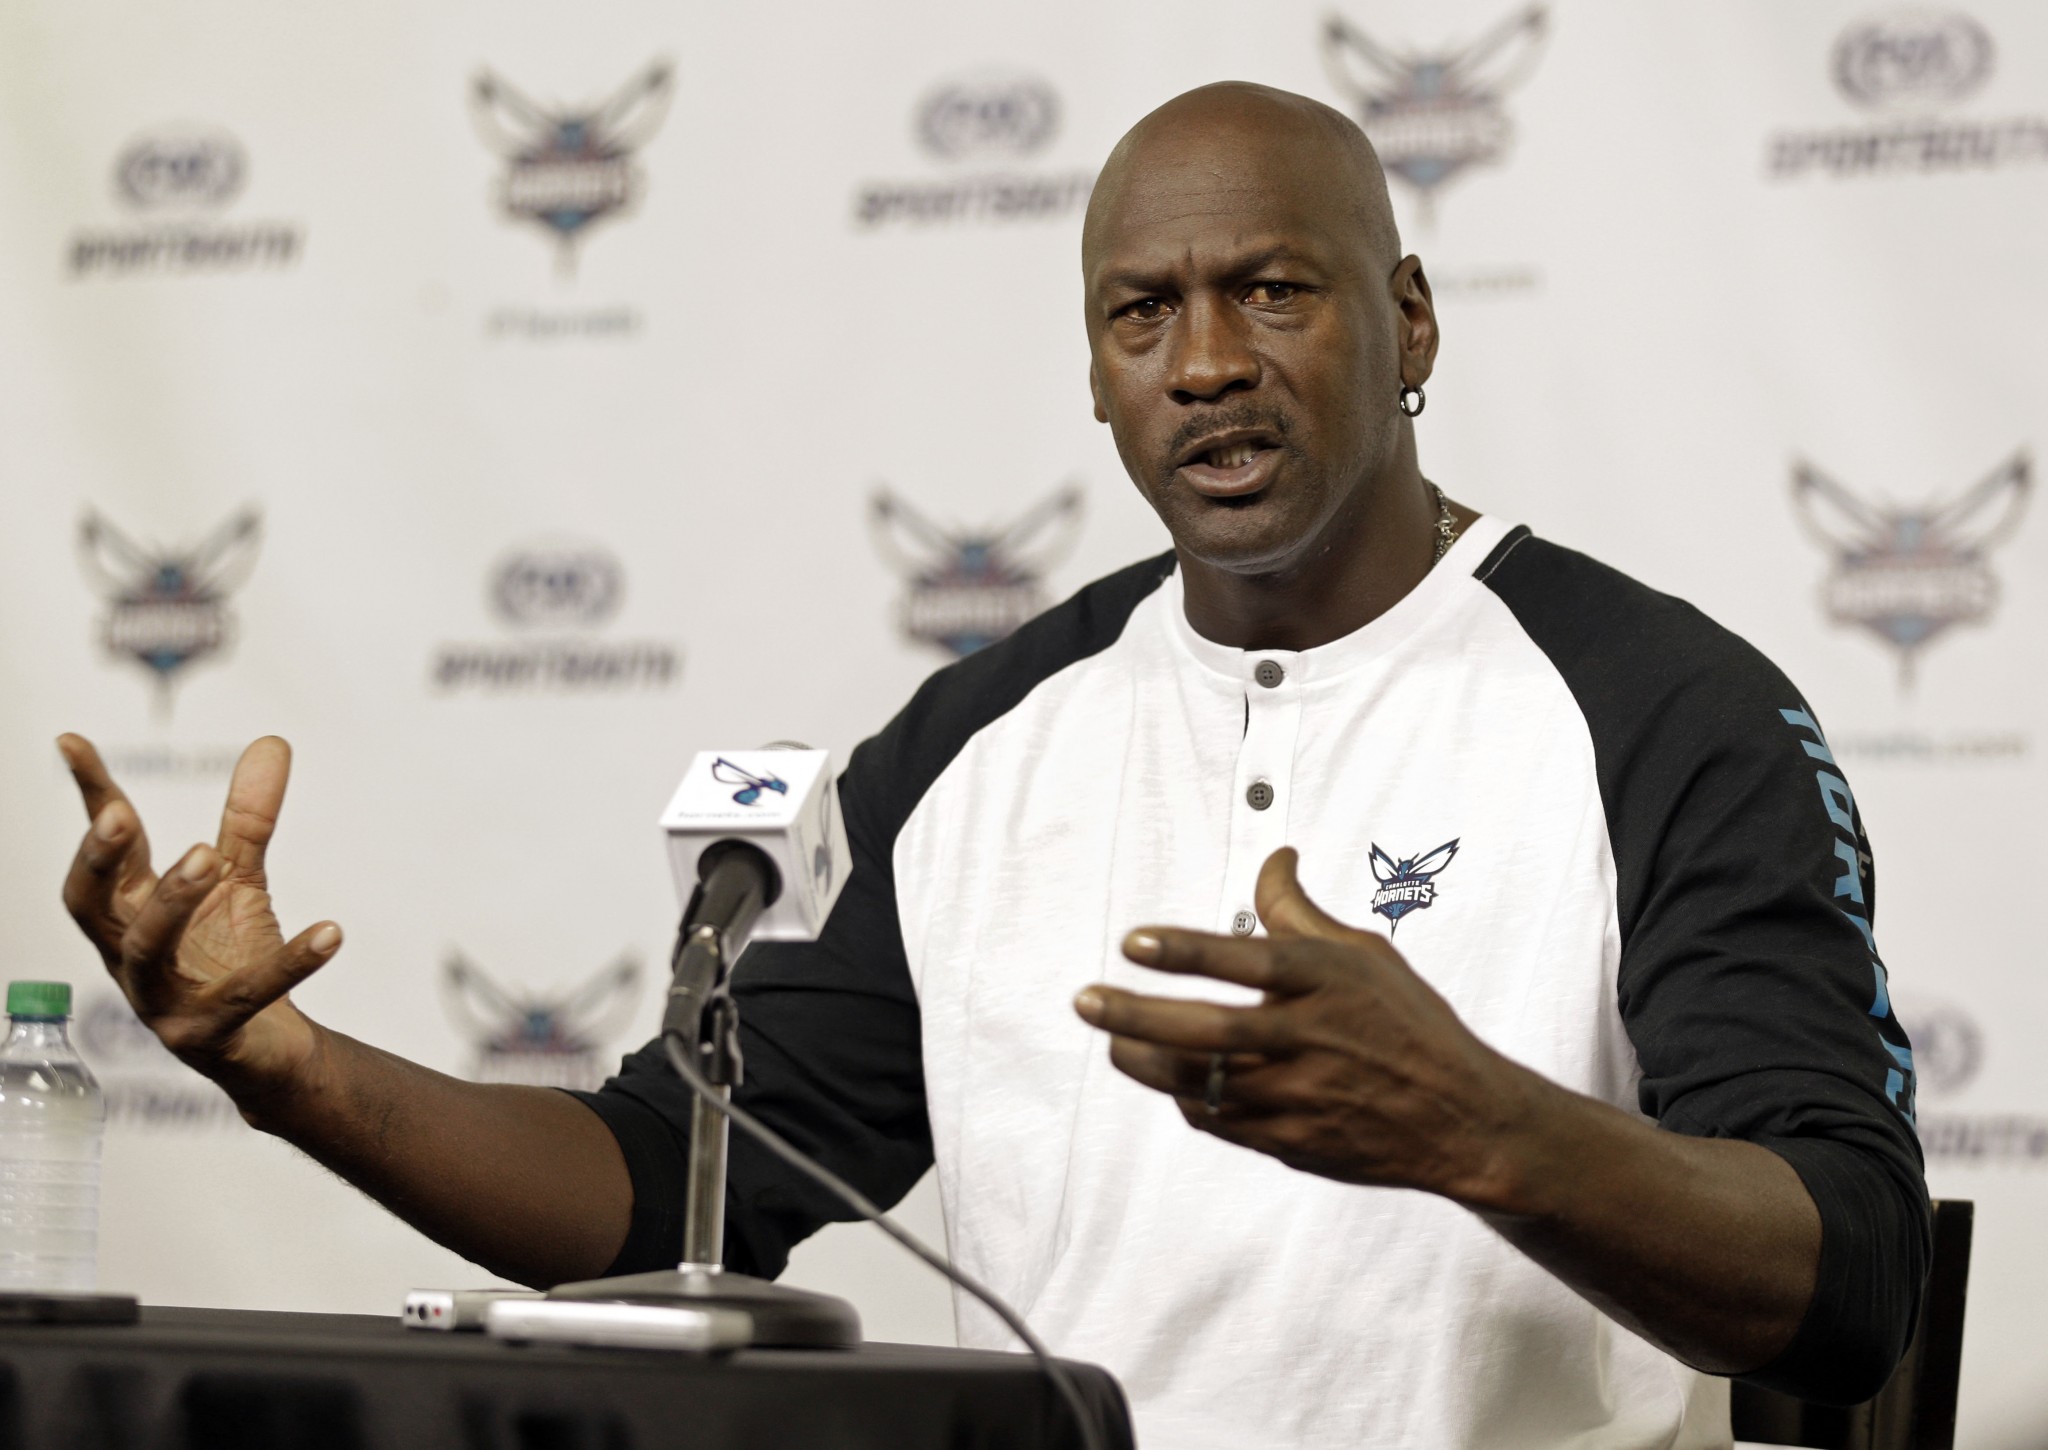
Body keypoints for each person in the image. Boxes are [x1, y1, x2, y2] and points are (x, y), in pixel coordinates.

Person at [56, 83, 1926, 1449]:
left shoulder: (1664, 708)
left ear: (1409, 320)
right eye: (1144, 313)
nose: (1204, 362)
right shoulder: (980, 741)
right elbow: (648, 1185)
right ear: (1098, 371)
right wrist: (288, 1067)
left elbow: (1850, 1282)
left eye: (1274, 290)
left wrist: (1474, 1124)